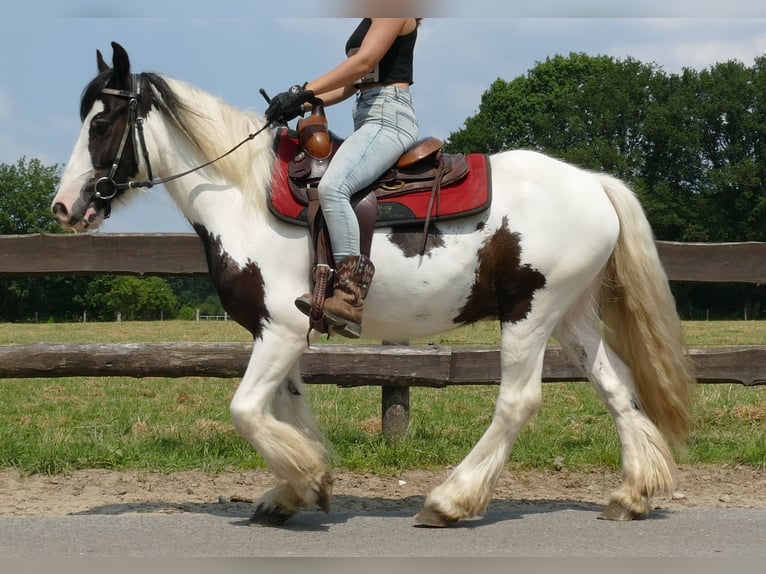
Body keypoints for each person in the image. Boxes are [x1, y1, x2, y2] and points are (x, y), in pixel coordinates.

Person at [265, 18, 421, 338]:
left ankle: (350, 298)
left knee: (334, 188)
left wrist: (301, 91)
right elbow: (351, 83)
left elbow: (363, 62)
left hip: (388, 118)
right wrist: (303, 102)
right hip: (368, 116)